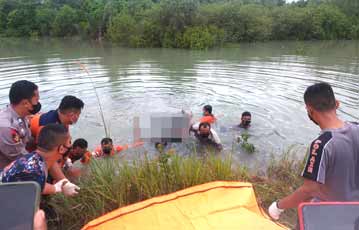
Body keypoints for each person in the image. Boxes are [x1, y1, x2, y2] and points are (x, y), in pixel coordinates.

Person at [268, 82, 359, 220]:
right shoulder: (356, 128)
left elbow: (310, 190)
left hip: (327, 215)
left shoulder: (322, 144)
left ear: (310, 110)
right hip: (354, 213)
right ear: (337, 104)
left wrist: (278, 206)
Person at [0, 124, 80, 196]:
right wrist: (56, 188)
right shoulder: (35, 171)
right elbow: (35, 187)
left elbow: (38, 184)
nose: (71, 145)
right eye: (69, 142)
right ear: (61, 149)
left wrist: (64, 183)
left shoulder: (34, 158)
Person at [0, 80, 41, 169]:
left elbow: (27, 140)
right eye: (36, 100)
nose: (38, 104)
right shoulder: (6, 126)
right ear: (25, 103)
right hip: (5, 172)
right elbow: (19, 157)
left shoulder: (22, 116)